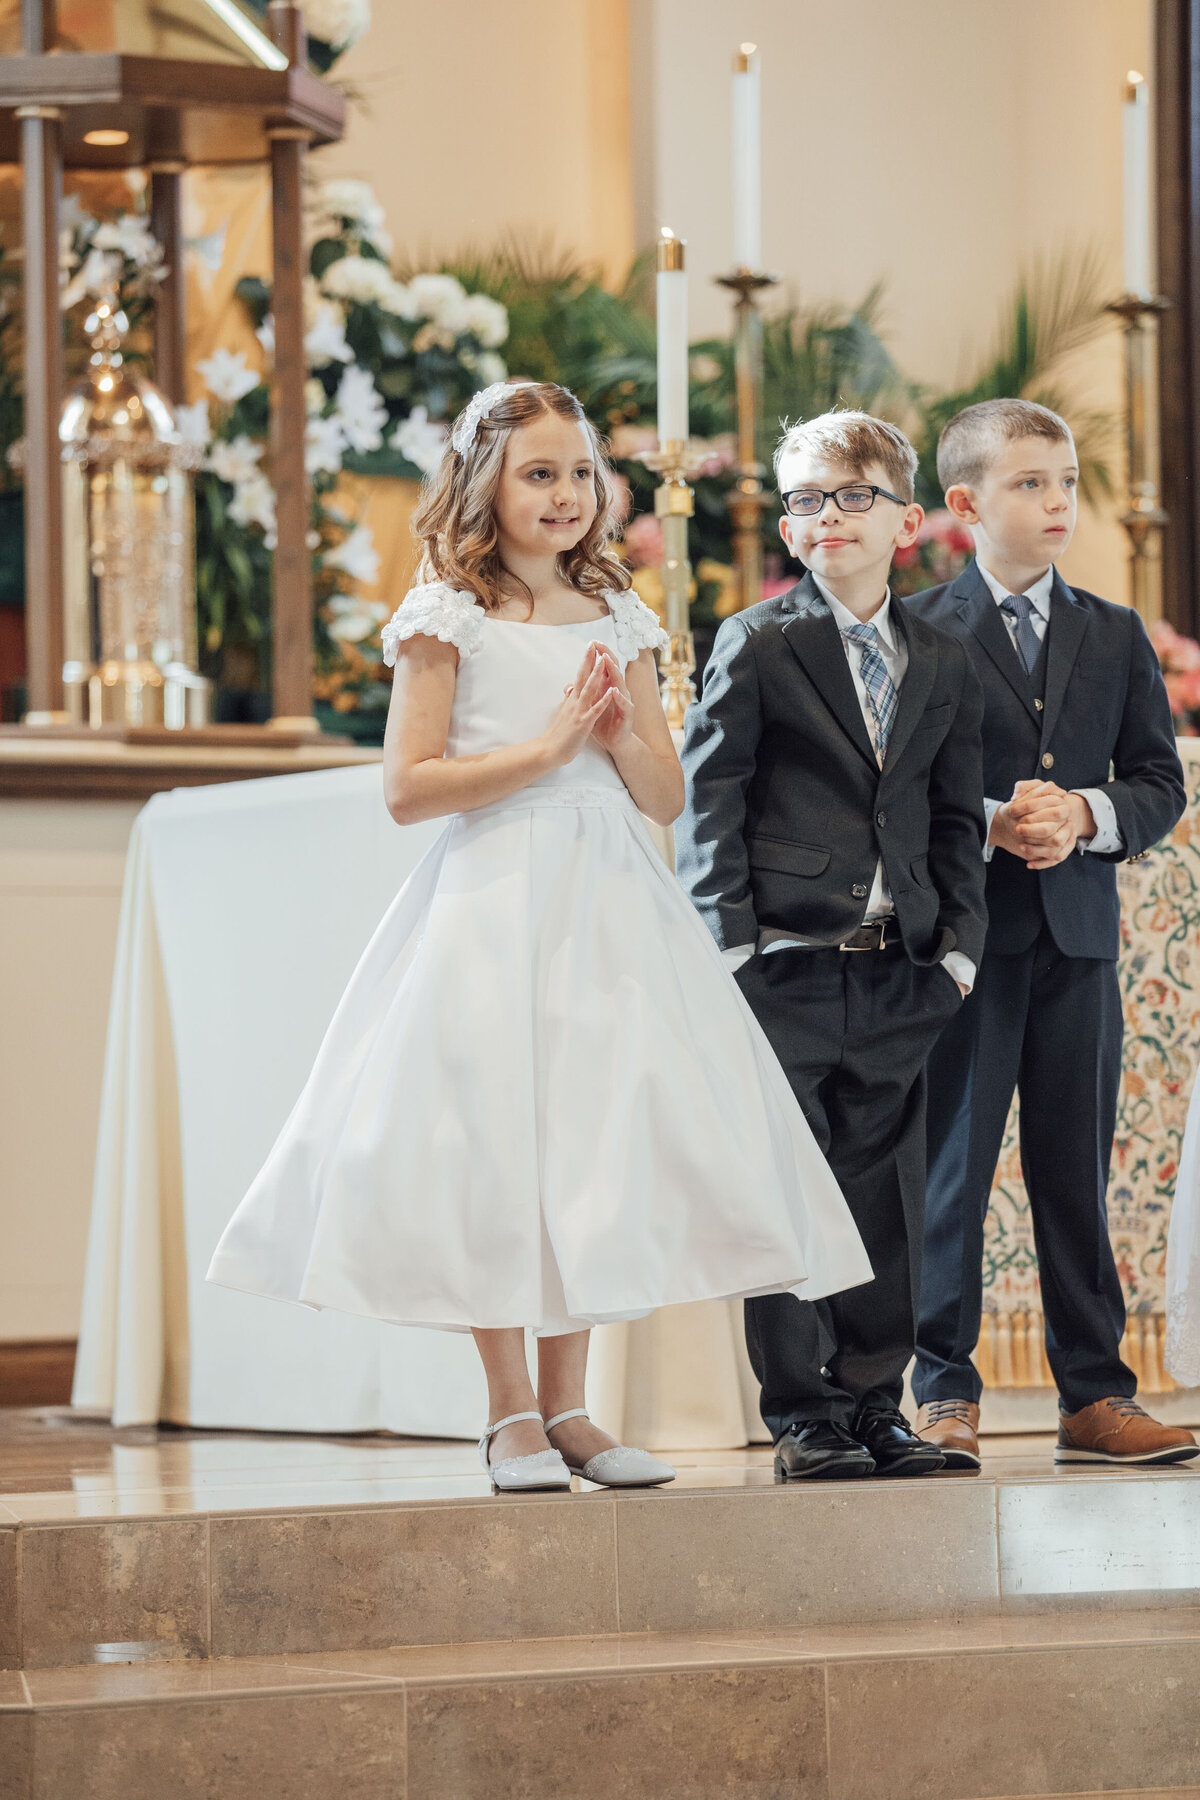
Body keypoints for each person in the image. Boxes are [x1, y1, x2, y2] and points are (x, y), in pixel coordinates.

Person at [208, 380, 871, 1494]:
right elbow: (411, 789)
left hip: (610, 904)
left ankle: (573, 1407)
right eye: (539, 473)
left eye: (580, 472)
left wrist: (614, 734)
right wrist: (552, 739)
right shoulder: (446, 615)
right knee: (498, 1143)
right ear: (486, 486)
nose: (566, 494)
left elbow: (663, 795)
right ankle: (508, 1411)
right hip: (496, 898)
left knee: (596, 1144)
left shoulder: (620, 612)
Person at [676, 410, 988, 1481]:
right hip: (785, 964)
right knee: (786, 1190)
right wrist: (728, 949)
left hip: (903, 968)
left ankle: (873, 1404)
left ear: (909, 519)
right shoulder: (759, 642)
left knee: (886, 1194)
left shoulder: (942, 660)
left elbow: (955, 816)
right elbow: (709, 798)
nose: (828, 516)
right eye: (806, 498)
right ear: (790, 527)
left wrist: (959, 952)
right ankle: (802, 1412)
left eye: (853, 495)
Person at [906, 397, 1196, 1469]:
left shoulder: (1115, 634)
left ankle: (1095, 1393)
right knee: (953, 1170)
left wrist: (1083, 814)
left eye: (1066, 480)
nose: (1059, 500)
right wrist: (993, 818)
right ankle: (943, 1392)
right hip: (963, 946)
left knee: (1076, 1169)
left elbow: (1159, 784)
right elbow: (896, 787)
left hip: (1078, 943)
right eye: (1031, 483)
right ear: (965, 504)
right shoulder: (916, 631)